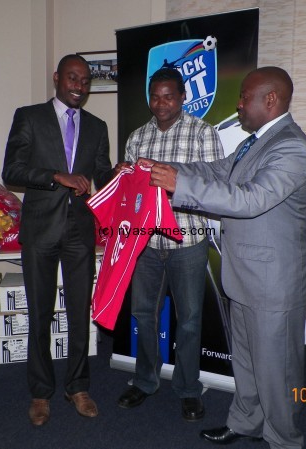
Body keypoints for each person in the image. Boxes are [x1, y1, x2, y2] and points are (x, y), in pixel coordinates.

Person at [140, 66, 306, 448]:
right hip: (245, 274)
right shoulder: (254, 142)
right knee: (249, 361)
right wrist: (163, 171)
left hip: (274, 282)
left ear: (270, 99)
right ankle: (246, 421)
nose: (238, 104)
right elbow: (218, 170)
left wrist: (179, 185)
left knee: (277, 370)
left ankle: (283, 439)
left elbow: (251, 199)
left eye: (244, 97)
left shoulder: (291, 146)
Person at [2, 54, 115, 426]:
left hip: (80, 230)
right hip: (40, 229)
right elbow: (12, 171)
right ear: (57, 78)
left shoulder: (98, 127)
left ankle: (78, 386)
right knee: (40, 312)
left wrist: (124, 175)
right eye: (72, 78)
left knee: (80, 311)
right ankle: (40, 392)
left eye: (85, 81)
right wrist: (57, 176)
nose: (79, 86)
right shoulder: (29, 117)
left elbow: (102, 175)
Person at [116, 68, 224, 422]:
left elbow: (214, 186)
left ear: (183, 97)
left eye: (169, 96)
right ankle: (145, 380)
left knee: (189, 321)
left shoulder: (203, 133)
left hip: (188, 241)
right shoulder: (137, 138)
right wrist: (122, 178)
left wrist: (171, 176)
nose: (161, 103)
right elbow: (131, 196)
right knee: (143, 315)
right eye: (155, 96)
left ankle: (188, 389)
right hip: (144, 244)